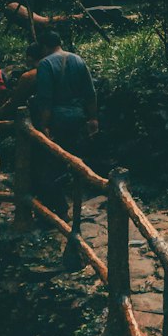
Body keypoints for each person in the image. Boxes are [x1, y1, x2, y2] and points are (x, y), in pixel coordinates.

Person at [31, 31, 98, 210]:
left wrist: (44, 125)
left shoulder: (45, 64)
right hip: (78, 118)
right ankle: (76, 201)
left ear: (44, 47)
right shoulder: (78, 59)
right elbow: (90, 93)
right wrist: (93, 118)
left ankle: (59, 208)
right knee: (75, 160)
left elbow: (45, 99)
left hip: (58, 120)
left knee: (53, 162)